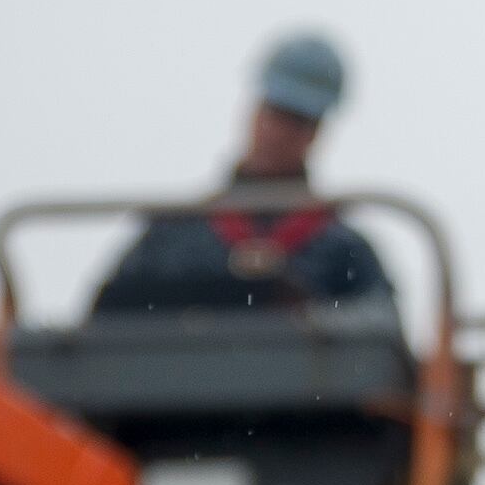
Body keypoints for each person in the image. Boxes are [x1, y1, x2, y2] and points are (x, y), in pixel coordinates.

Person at [92, 30, 401, 320]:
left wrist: (310, 319)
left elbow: (380, 336)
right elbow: (102, 330)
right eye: (274, 112)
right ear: (254, 110)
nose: (278, 133)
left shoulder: (344, 255)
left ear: (317, 131)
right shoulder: (173, 236)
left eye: (297, 121)